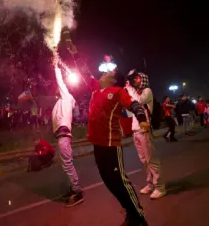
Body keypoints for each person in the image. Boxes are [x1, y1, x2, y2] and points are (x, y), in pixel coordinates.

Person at [67, 34, 149, 225]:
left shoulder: (118, 92)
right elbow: (83, 70)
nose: (103, 74)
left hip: (111, 145)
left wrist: (142, 119)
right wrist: (74, 53)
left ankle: (139, 218)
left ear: (113, 80)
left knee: (121, 182)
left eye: (108, 73)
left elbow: (135, 105)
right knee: (110, 184)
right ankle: (130, 213)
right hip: (97, 145)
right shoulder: (96, 88)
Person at [126, 70, 166, 199]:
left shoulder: (147, 91)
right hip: (136, 131)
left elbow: (138, 102)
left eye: (137, 78)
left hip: (144, 130)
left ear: (143, 79)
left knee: (151, 160)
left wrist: (130, 90)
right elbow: (130, 109)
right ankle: (150, 184)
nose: (134, 81)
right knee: (144, 161)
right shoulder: (135, 92)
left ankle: (160, 187)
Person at [51, 56, 84, 207]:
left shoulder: (66, 96)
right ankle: (73, 188)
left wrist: (56, 66)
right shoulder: (62, 101)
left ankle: (77, 192)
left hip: (64, 136)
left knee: (67, 165)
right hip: (62, 136)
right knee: (66, 165)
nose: (57, 88)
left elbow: (60, 81)